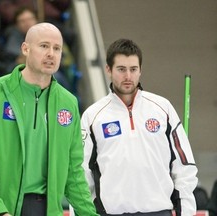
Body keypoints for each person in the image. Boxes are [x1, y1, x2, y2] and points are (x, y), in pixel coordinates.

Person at [0, 22, 98, 216]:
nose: (51, 54)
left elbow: (73, 171)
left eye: (57, 48)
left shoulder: (68, 103)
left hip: (45, 209)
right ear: (25, 49)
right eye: (44, 46)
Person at [80, 39, 198, 216]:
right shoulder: (93, 115)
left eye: (133, 69)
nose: (128, 76)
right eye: (121, 69)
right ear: (108, 70)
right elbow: (82, 174)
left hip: (158, 212)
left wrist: (186, 212)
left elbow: (184, 167)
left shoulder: (162, 108)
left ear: (140, 70)